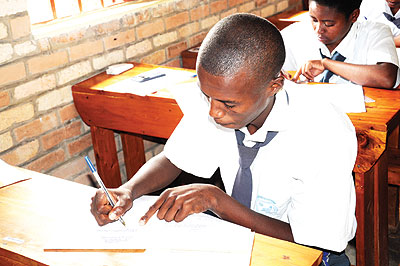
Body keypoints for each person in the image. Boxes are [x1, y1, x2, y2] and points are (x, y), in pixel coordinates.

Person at [91, 13, 357, 265]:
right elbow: (175, 158)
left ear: (273, 86)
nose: (213, 112)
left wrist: (216, 200)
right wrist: (129, 190)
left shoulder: (323, 133)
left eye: (228, 104)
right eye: (207, 96)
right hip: (237, 236)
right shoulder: (220, 97)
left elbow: (314, 243)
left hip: (307, 255)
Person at [281, 0, 400, 89]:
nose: (318, 29)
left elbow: (386, 78)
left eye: (328, 24)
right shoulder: (295, 33)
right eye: (314, 20)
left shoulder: (375, 33)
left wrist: (326, 64)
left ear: (354, 16)